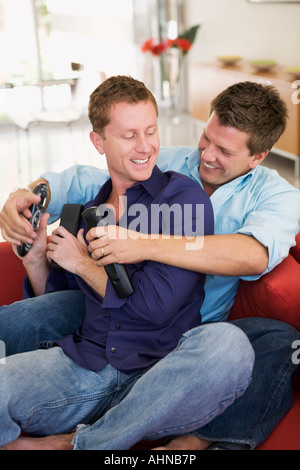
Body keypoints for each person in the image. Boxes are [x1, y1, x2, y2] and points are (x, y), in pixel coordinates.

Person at [1, 80, 299, 450]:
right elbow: (89, 180)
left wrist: (144, 244)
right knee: (20, 318)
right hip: (112, 313)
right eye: (206, 138)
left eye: (224, 150)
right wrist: (27, 195)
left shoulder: (277, 196)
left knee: (274, 342)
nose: (206, 155)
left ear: (258, 156)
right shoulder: (162, 160)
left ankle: (182, 443)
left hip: (191, 325)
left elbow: (253, 253)